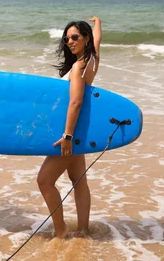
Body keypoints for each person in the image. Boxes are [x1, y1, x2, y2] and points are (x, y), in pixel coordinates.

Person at [36, 16, 102, 239]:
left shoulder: (78, 67)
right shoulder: (93, 59)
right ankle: (83, 230)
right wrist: (98, 24)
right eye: (67, 39)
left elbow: (75, 102)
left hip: (71, 133)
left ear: (85, 39)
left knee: (44, 181)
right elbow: (98, 40)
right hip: (82, 132)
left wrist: (67, 136)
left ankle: (61, 229)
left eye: (75, 37)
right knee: (79, 181)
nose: (70, 42)